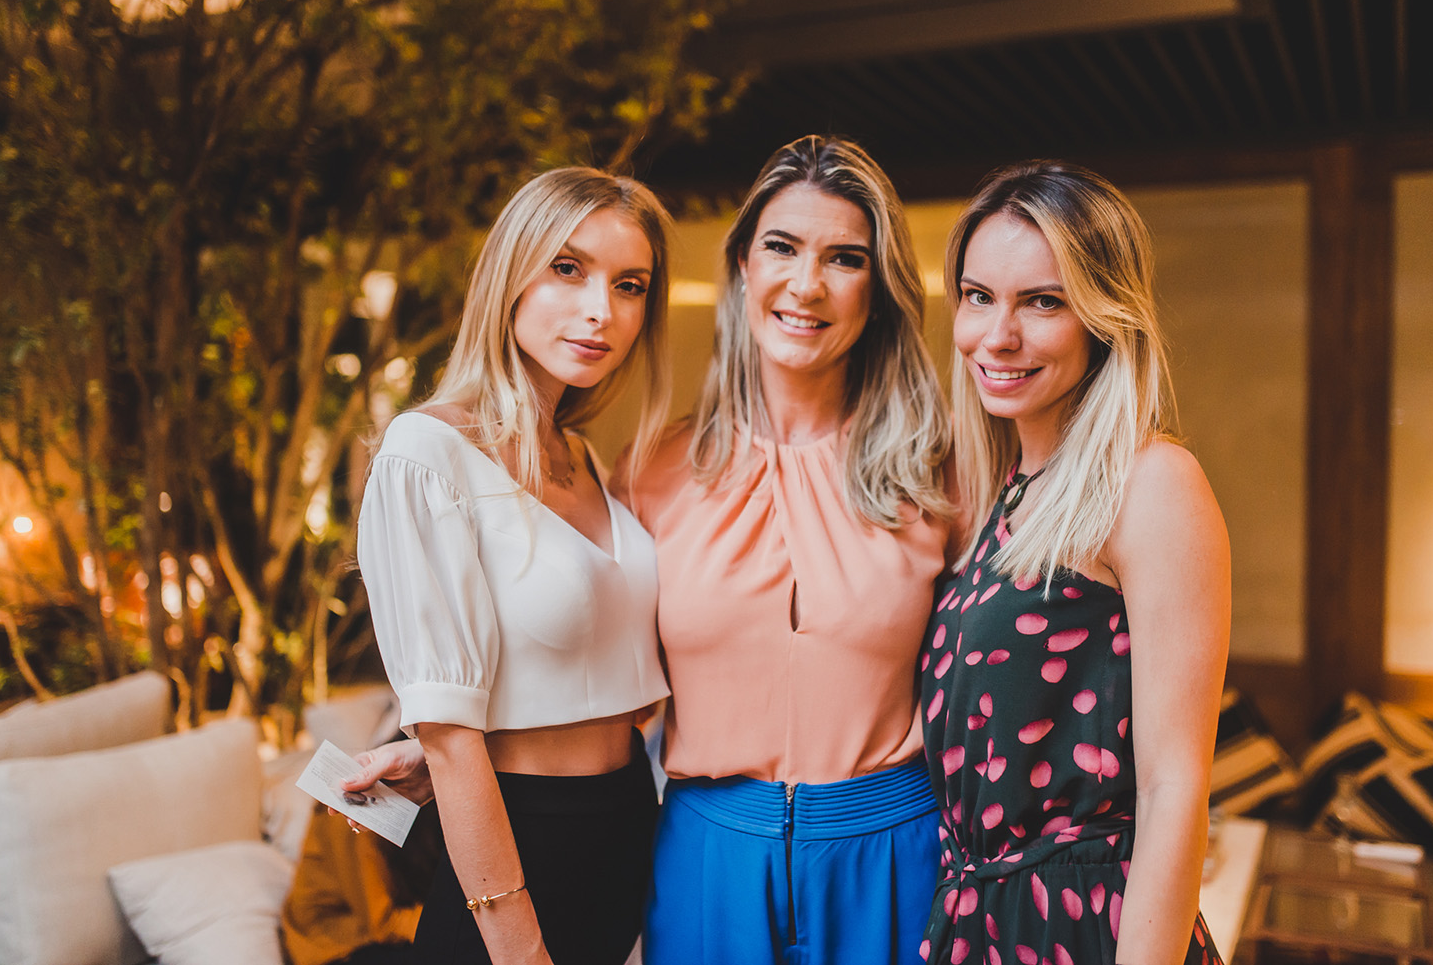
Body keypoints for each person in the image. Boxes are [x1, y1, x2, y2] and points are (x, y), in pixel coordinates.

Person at [622, 134, 954, 965]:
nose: (807, 284)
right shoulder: (654, 472)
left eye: (845, 258)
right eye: (782, 246)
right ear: (741, 264)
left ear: (877, 290)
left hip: (893, 855)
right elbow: (594, 680)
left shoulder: (943, 473)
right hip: (708, 856)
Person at [353, 166, 674, 965]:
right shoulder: (427, 454)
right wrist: (520, 949)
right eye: (568, 268)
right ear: (510, 275)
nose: (601, 309)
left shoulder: (587, 458)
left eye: (629, 285)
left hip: (629, 827)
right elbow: (454, 735)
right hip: (521, 846)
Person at [918, 161, 1229, 965]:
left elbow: (1174, 791)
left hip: (1089, 929)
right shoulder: (1005, 492)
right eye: (979, 297)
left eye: (1043, 302)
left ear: (1104, 318)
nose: (999, 335)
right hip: (982, 926)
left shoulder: (1150, 480)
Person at [282, 801, 443, 965]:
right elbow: (383, 922)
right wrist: (449, 924)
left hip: (381, 932)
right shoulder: (348, 815)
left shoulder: (420, 800)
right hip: (336, 946)